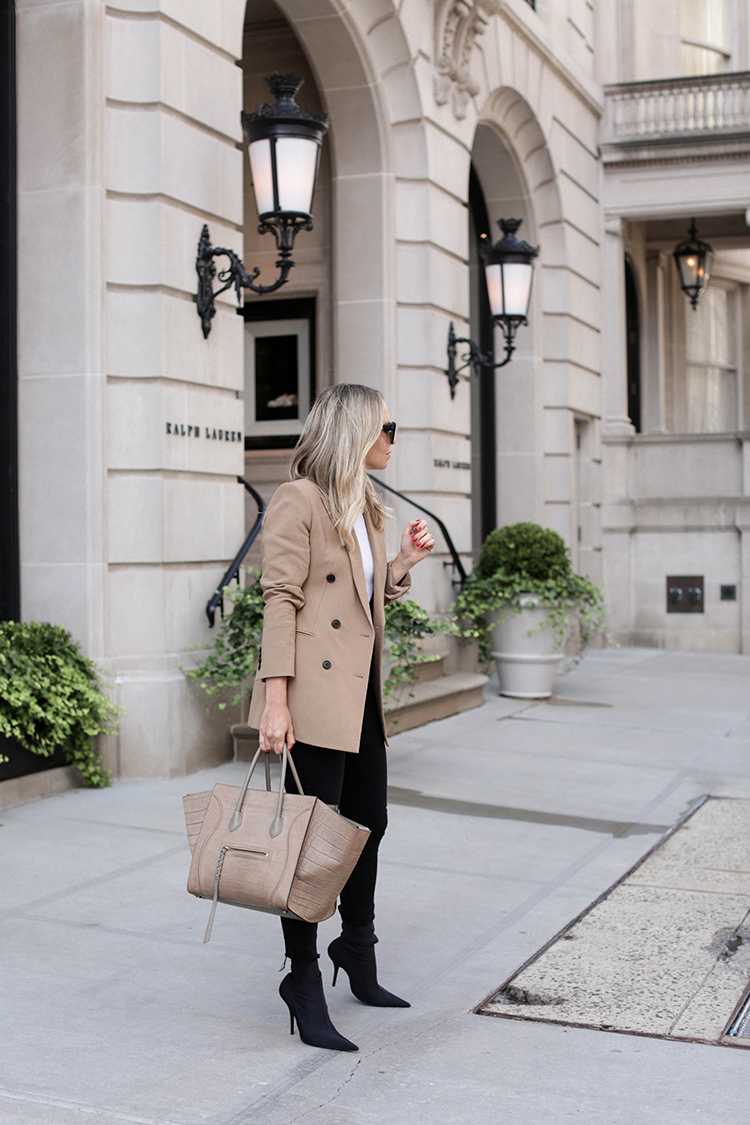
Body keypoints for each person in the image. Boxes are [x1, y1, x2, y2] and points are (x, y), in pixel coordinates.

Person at [247, 384, 435, 1052]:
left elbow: (356, 595)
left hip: (359, 699)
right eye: (389, 425)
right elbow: (281, 598)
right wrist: (274, 701)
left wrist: (402, 567)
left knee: (369, 824)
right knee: (311, 843)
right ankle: (302, 975)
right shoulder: (298, 498)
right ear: (358, 430)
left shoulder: (369, 508)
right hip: (308, 702)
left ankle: (357, 948)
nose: (394, 437)